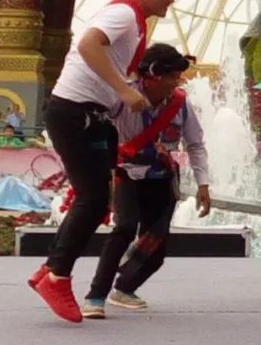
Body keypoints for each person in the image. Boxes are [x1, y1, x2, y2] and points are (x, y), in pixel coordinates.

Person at [29, 0, 179, 323]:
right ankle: (57, 277)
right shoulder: (124, 14)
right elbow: (87, 44)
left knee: (96, 199)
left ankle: (50, 269)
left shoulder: (133, 22)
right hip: (73, 112)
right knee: (93, 198)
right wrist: (123, 90)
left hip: (90, 115)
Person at [82, 44, 212, 318]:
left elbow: (195, 144)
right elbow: (95, 129)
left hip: (162, 177)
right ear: (152, 75)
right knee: (124, 229)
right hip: (126, 172)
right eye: (172, 76)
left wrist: (203, 184)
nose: (176, 82)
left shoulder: (180, 104)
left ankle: (124, 288)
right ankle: (95, 296)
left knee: (158, 244)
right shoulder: (122, 97)